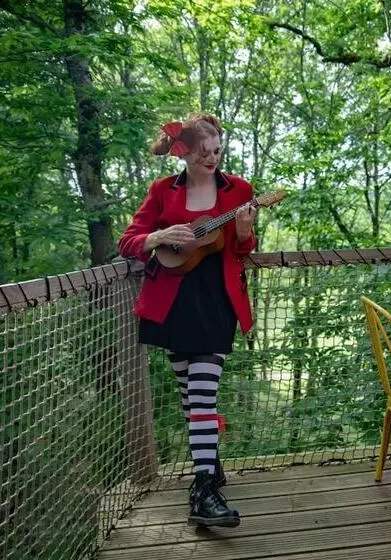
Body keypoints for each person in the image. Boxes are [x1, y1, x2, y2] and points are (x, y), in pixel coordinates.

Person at [118, 113, 259, 528]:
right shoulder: (162, 191)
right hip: (171, 304)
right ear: (184, 153)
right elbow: (129, 242)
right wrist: (159, 237)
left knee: (202, 395)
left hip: (218, 303)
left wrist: (246, 230)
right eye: (203, 153)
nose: (212, 159)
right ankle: (211, 466)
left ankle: (202, 491)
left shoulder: (240, 191)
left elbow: (244, 250)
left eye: (217, 151)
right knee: (190, 397)